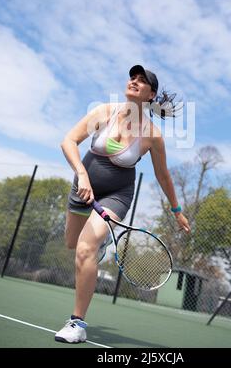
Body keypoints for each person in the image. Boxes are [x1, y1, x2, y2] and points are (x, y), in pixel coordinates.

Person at [55, 65, 191, 343]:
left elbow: (163, 175)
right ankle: (100, 243)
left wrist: (177, 210)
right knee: (72, 242)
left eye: (142, 81)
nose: (134, 82)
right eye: (133, 77)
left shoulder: (152, 136)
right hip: (83, 187)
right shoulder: (104, 112)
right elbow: (69, 140)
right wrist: (81, 174)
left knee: (85, 249)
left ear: (151, 94)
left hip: (117, 193)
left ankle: (77, 323)